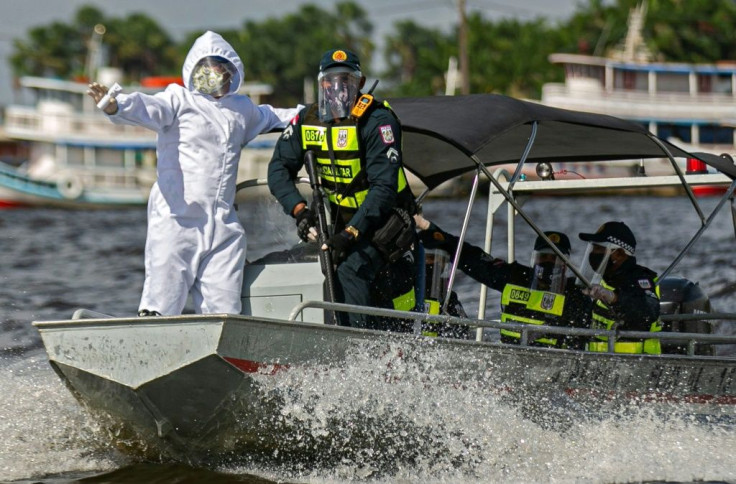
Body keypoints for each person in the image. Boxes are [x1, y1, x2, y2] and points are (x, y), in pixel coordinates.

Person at [87, 31, 299, 316]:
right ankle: (151, 343)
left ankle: (224, 353)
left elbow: (278, 116)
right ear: (193, 70)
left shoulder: (241, 109)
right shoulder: (178, 100)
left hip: (223, 224)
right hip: (178, 220)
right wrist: (115, 105)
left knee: (224, 309)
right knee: (161, 301)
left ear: (231, 71)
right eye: (206, 68)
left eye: (220, 68)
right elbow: (149, 106)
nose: (213, 75)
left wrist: (320, 111)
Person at [267, 48, 416, 328]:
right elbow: (277, 170)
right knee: (299, 263)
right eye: (331, 80)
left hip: (384, 221)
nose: (338, 88)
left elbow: (384, 188)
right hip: (335, 221)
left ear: (359, 83)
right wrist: (300, 211)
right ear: (321, 83)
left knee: (350, 268)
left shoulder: (377, 120)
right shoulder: (306, 120)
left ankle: (358, 348)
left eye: (346, 80)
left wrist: (350, 234)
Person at [415, 214, 590, 347]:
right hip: (511, 358)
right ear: (534, 259)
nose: (548, 262)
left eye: (555, 259)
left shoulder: (575, 293)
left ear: (566, 265)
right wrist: (436, 233)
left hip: (555, 363)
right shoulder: (516, 277)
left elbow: (580, 336)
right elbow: (474, 260)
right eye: (543, 256)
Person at [577, 221, 662, 354]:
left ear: (619, 254)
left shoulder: (641, 279)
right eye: (593, 248)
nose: (593, 253)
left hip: (638, 364)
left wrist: (614, 298)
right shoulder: (603, 279)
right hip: (599, 363)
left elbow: (648, 311)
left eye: (599, 249)